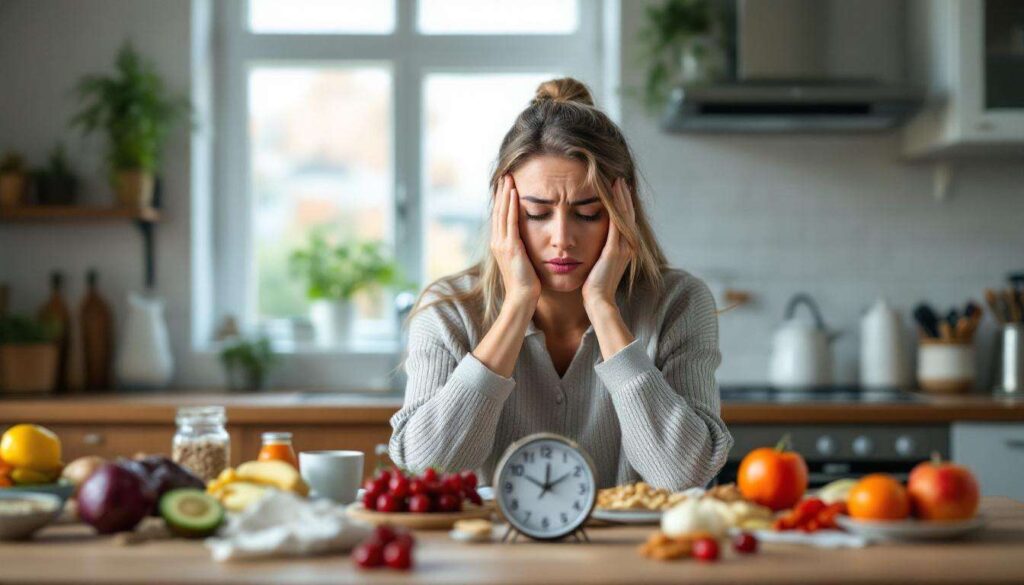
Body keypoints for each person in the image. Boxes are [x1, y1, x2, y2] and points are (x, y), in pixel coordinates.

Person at [388, 77, 732, 490]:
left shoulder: (678, 303)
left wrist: (604, 308)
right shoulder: (449, 311)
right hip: (490, 554)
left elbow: (684, 477)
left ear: (623, 213)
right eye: (537, 213)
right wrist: (516, 305)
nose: (562, 238)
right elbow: (425, 472)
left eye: (588, 213)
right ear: (504, 210)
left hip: (631, 556)